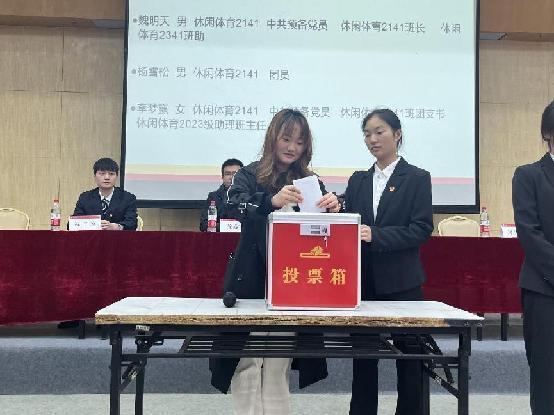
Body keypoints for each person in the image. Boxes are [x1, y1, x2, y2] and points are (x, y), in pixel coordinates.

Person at [209, 109, 340, 415]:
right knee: (248, 359)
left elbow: (325, 230)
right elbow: (233, 205)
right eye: (286, 138)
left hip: (292, 279)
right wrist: (271, 201)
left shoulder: (309, 181)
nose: (292, 147)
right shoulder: (249, 173)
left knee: (279, 359)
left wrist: (335, 206)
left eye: (299, 142)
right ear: (273, 138)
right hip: (251, 276)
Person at [343, 108, 433, 415]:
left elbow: (421, 229)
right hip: (364, 282)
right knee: (363, 359)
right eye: (367, 134)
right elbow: (348, 223)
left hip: (402, 283)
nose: (372, 139)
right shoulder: (358, 180)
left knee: (410, 359)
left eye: (379, 132)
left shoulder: (417, 178)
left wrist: (376, 235)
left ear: (397, 134)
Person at [512, 99, 554, 415]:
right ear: (547, 133)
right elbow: (530, 233)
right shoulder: (528, 175)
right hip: (544, 289)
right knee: (546, 373)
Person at [72, 157, 137, 230]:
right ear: (95, 176)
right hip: (92, 237)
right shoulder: (85, 198)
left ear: (117, 176)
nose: (107, 177)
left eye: (111, 174)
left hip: (118, 237)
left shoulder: (128, 198)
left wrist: (117, 227)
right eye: (102, 173)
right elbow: (72, 224)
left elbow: (132, 223)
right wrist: (94, 225)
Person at [199, 158, 243, 232]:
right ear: (222, 177)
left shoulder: (251, 196)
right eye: (227, 174)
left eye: (235, 174)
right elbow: (204, 225)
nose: (231, 177)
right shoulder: (213, 197)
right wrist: (227, 226)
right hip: (220, 237)